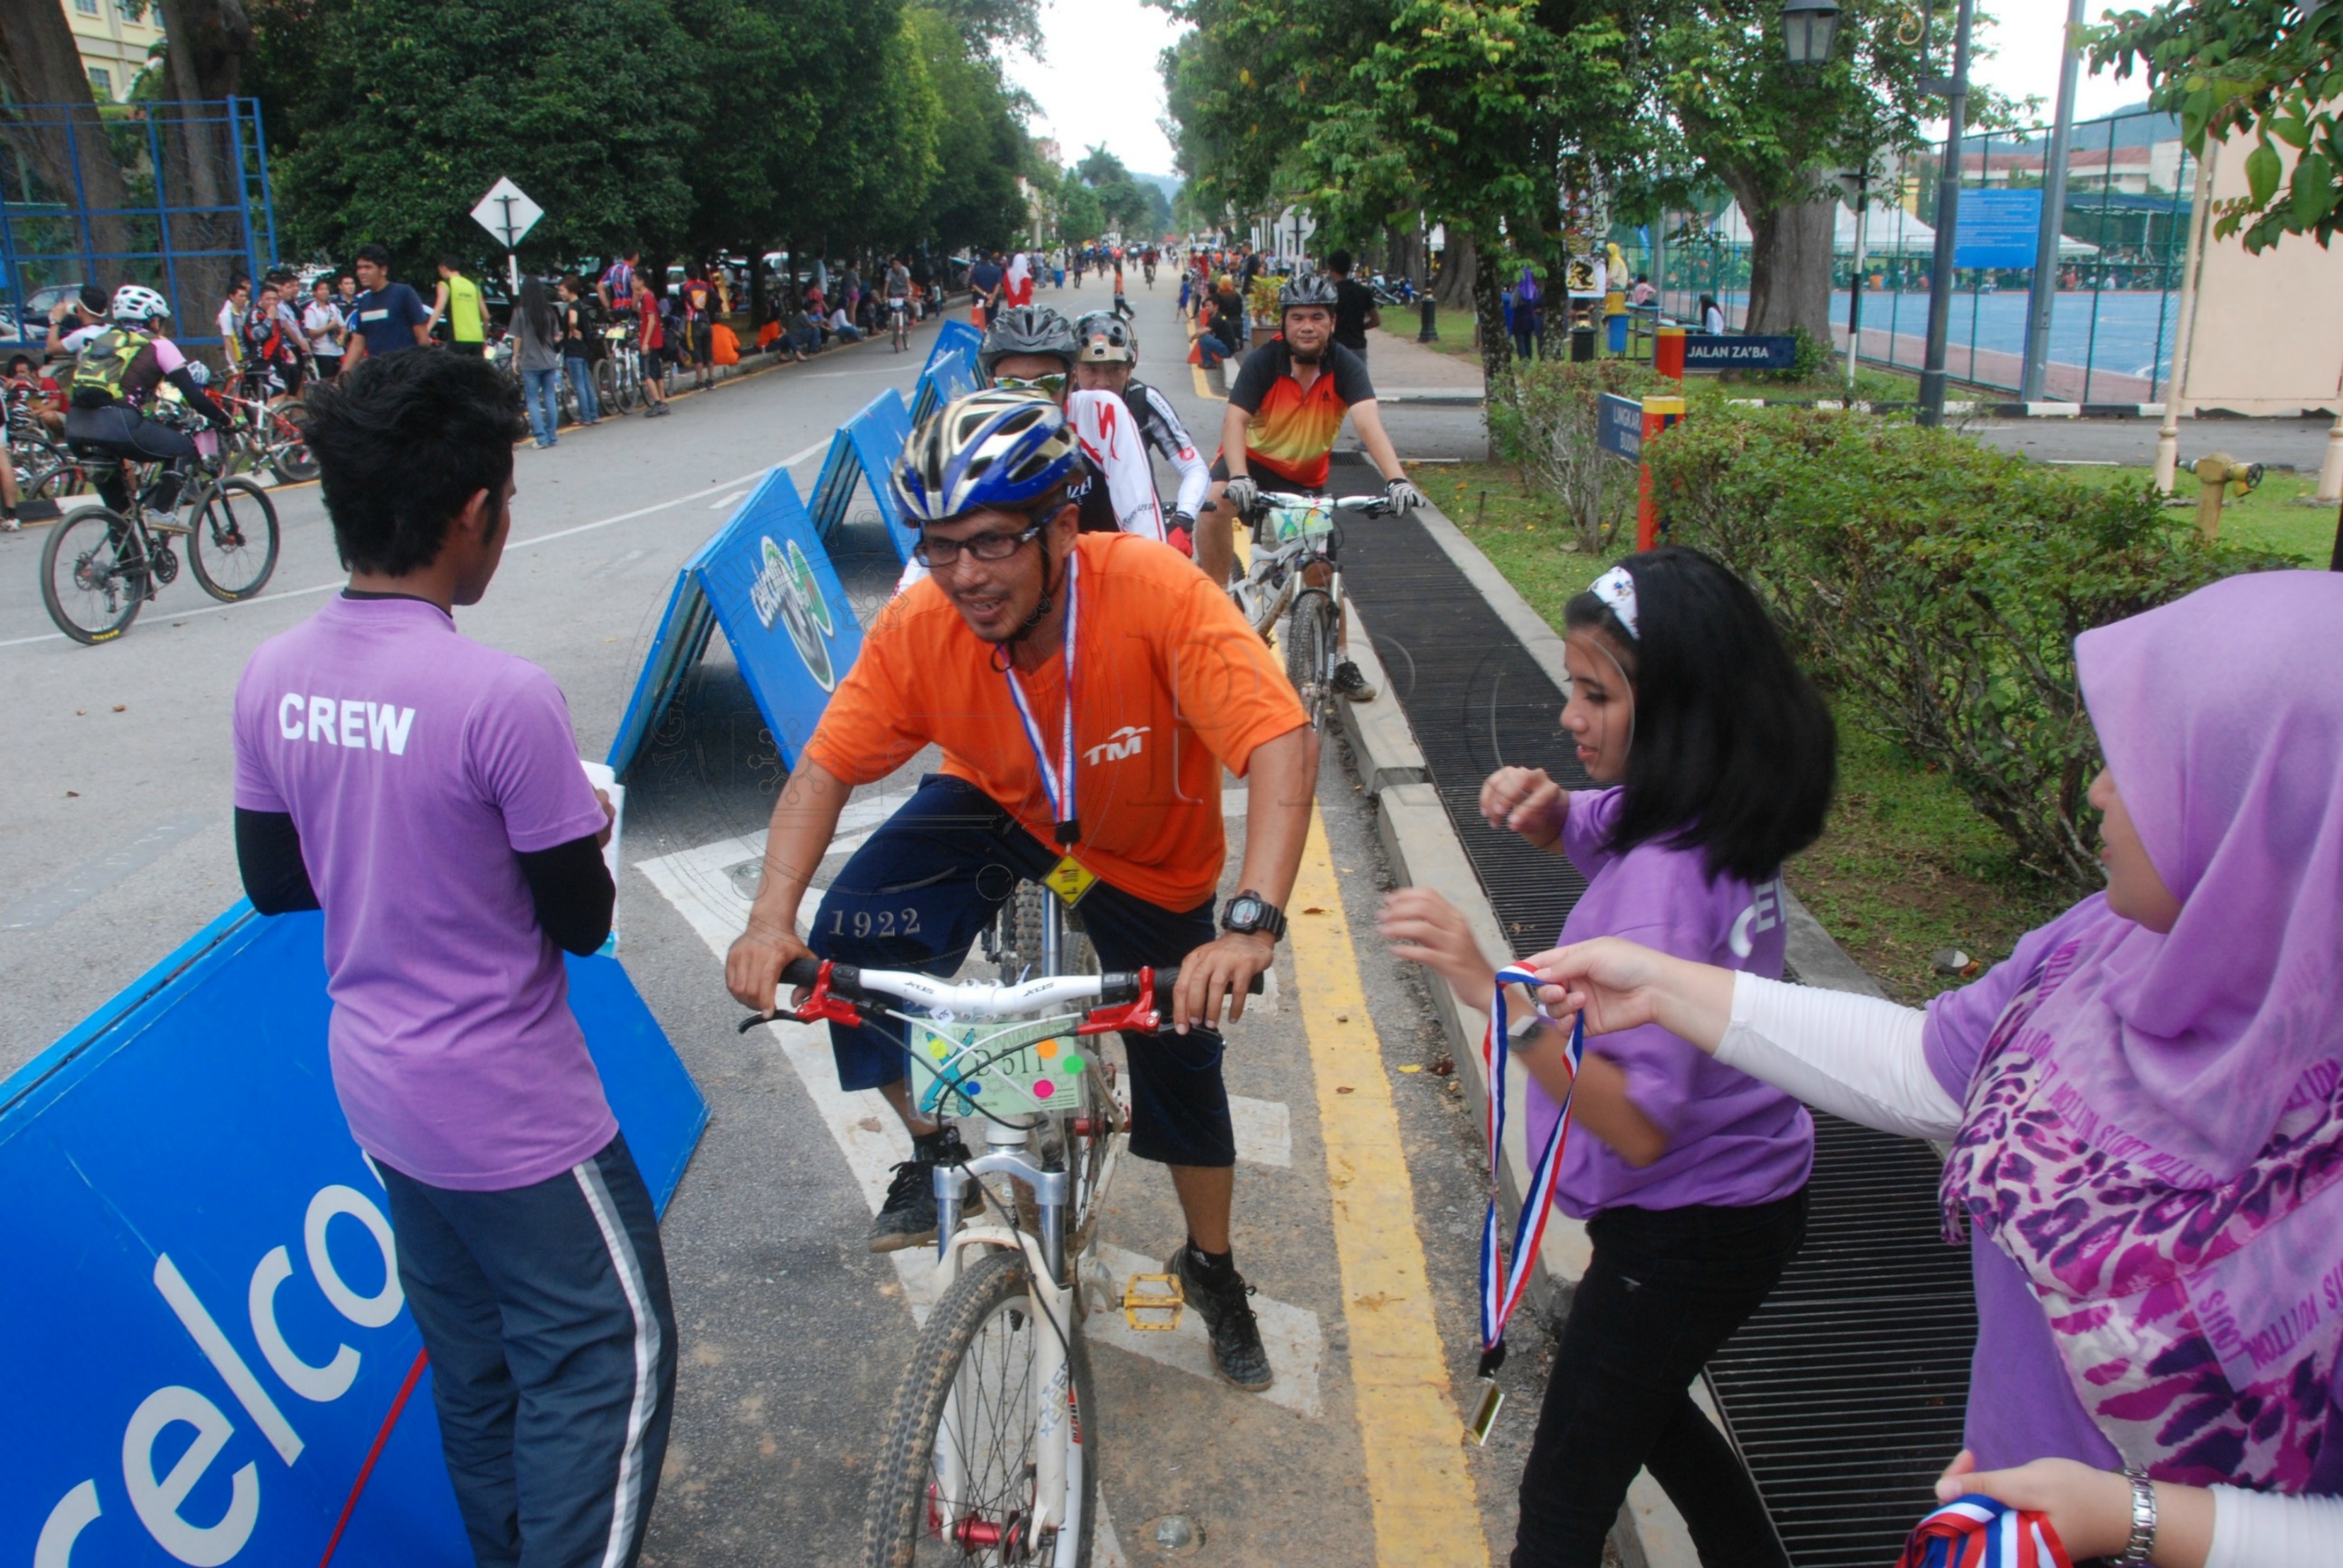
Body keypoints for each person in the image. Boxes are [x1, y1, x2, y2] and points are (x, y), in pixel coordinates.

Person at [1528, 570, 2343, 1566]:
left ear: (2264, 795)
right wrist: (1661, 984)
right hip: (2006, 1517)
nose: (2094, 789)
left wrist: (2129, 1518)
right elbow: (1927, 1064)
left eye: (2138, 764)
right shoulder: (2098, 944)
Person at [724, 388, 1318, 1393]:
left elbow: (1280, 738)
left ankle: (1212, 1266)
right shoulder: (925, 622)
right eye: (941, 544)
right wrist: (767, 918)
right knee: (850, 940)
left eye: (993, 542)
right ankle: (934, 1146)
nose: (964, 574)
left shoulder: (1155, 592)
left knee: (1184, 1058)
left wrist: (1249, 923)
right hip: (999, 802)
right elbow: (824, 767)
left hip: (1144, 856)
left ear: (1063, 528)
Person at [231, 349, 676, 1568]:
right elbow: (579, 921)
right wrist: (568, 827)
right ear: (474, 511)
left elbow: (274, 879)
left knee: (477, 1364)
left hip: (381, 1093)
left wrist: (399, 842)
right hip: (515, 1115)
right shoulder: (502, 699)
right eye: (508, 505)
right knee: (610, 1354)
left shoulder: (272, 676)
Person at [1380, 549, 1833, 1568]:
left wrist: (1490, 987)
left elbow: (1631, 1121)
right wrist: (1548, 817)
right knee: (1646, 1409)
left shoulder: (1665, 882)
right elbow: (1609, 831)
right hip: (1743, 1200)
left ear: (1672, 711)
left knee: (1562, 1502)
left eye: (1596, 695)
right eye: (1571, 687)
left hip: (1681, 1230)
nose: (1567, 718)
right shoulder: (1710, 812)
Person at [1198, 273, 1423, 603]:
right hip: (1253, 465)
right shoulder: (1263, 362)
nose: (1307, 326)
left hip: (1304, 481)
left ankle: (1340, 654)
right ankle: (1215, 602)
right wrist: (1239, 475)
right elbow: (1235, 421)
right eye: (1297, 317)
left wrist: (1397, 480)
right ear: (1284, 323)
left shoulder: (1346, 367)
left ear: (1332, 322)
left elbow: (1369, 425)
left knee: (1323, 578)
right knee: (1213, 505)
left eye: (1317, 317)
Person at [61, 286, 233, 519]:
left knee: (119, 513)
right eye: (161, 321)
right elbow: (194, 397)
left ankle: (129, 554)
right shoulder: (160, 345)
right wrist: (227, 420)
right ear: (153, 320)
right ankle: (161, 512)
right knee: (184, 447)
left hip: (76, 426)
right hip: (118, 424)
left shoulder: (102, 340)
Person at [1072, 310, 1210, 557]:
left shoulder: (1144, 400)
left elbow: (1194, 468)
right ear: (1074, 370)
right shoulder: (1062, 403)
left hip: (1134, 540)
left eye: (1114, 369)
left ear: (1130, 367)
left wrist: (1183, 519)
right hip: (1072, 540)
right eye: (1091, 370)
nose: (1102, 382)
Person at [343, 245, 433, 367]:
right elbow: (358, 343)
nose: (362, 272)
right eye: (359, 268)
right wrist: (342, 376)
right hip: (379, 374)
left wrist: (423, 370)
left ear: (383, 270)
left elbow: (422, 338)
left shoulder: (404, 293)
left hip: (405, 371)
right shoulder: (364, 302)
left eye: (368, 267)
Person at [512, 277, 563, 447]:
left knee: (532, 400)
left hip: (530, 362)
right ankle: (552, 436)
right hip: (549, 360)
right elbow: (556, 338)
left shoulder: (520, 312)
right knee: (549, 398)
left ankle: (541, 438)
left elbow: (517, 337)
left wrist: (515, 358)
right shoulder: (549, 312)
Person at [555, 275, 601, 427]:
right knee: (586, 383)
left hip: (573, 350)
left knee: (579, 384)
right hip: (583, 349)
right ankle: (593, 414)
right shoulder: (581, 305)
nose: (560, 293)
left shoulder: (572, 307)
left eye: (562, 290)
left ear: (570, 290)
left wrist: (571, 330)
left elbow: (573, 320)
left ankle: (585, 416)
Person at [1324, 249, 1381, 363]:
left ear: (1331, 268)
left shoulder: (1330, 293)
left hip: (1336, 346)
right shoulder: (1363, 291)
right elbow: (1376, 320)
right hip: (1358, 346)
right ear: (1349, 267)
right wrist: (1360, 327)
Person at [631, 273, 671, 417]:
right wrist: (635, 296)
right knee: (657, 373)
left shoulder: (647, 298)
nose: (631, 283)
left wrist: (646, 342)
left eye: (634, 280)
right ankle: (663, 401)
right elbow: (635, 308)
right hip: (655, 340)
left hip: (651, 341)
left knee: (646, 374)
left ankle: (658, 403)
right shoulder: (647, 296)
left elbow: (652, 321)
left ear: (641, 282)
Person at [431, 256, 487, 357]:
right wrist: (484, 337)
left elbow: (440, 308)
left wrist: (426, 329)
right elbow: (486, 316)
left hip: (458, 336)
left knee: (452, 370)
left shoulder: (445, 284)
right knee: (477, 371)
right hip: (477, 338)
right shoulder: (473, 286)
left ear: (443, 268)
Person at [304, 277, 348, 381]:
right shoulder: (311, 310)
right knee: (327, 379)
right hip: (322, 351)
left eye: (326, 289)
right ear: (315, 292)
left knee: (342, 378)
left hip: (338, 349)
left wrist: (342, 336)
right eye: (321, 289)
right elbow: (311, 333)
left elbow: (343, 327)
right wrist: (329, 327)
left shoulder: (333, 307)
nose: (324, 292)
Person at [215, 277, 249, 368]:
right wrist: (235, 363)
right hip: (238, 356)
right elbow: (228, 340)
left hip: (249, 354)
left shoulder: (247, 312)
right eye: (241, 296)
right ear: (232, 297)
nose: (244, 299)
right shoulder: (227, 315)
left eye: (245, 296)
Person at [1511, 264, 1543, 362]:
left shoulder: (1519, 290)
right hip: (1530, 318)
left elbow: (1513, 304)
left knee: (1520, 343)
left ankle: (1524, 363)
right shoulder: (1534, 289)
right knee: (1528, 341)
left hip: (1519, 319)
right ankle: (1529, 361)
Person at [597, 249, 640, 315]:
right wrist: (636, 309)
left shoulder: (613, 269)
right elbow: (636, 291)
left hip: (616, 308)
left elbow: (599, 287)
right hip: (630, 308)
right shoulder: (632, 272)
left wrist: (607, 307)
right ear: (635, 257)